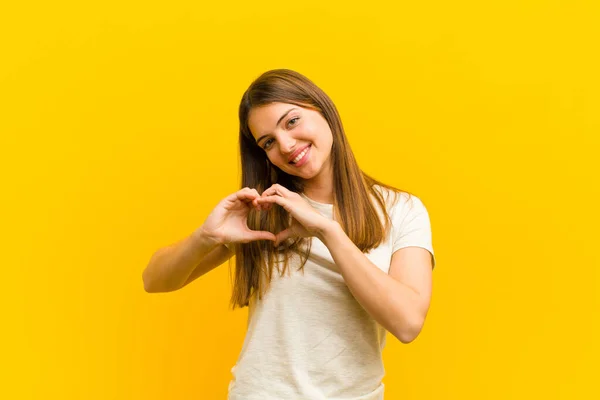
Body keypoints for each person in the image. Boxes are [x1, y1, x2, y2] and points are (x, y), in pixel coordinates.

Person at [142, 69, 436, 400]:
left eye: (291, 121)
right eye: (268, 141)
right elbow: (154, 280)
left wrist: (327, 230)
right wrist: (206, 237)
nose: (285, 145)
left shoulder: (401, 209)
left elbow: (408, 323)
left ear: (323, 110)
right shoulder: (265, 210)